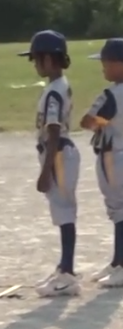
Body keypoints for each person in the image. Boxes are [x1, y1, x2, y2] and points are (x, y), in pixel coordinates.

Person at [18, 30, 82, 297]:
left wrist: (45, 172)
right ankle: (64, 268)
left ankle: (67, 274)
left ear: (48, 59)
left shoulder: (54, 92)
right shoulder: (58, 86)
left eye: (36, 59)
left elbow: (53, 130)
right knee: (63, 211)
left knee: (64, 211)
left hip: (57, 154)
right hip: (60, 153)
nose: (34, 65)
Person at [80, 38, 123, 288]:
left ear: (118, 64)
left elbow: (86, 120)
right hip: (121, 149)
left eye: (105, 63)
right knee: (118, 208)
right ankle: (117, 262)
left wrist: (98, 125)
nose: (102, 67)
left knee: (118, 210)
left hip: (111, 154)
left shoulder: (110, 93)